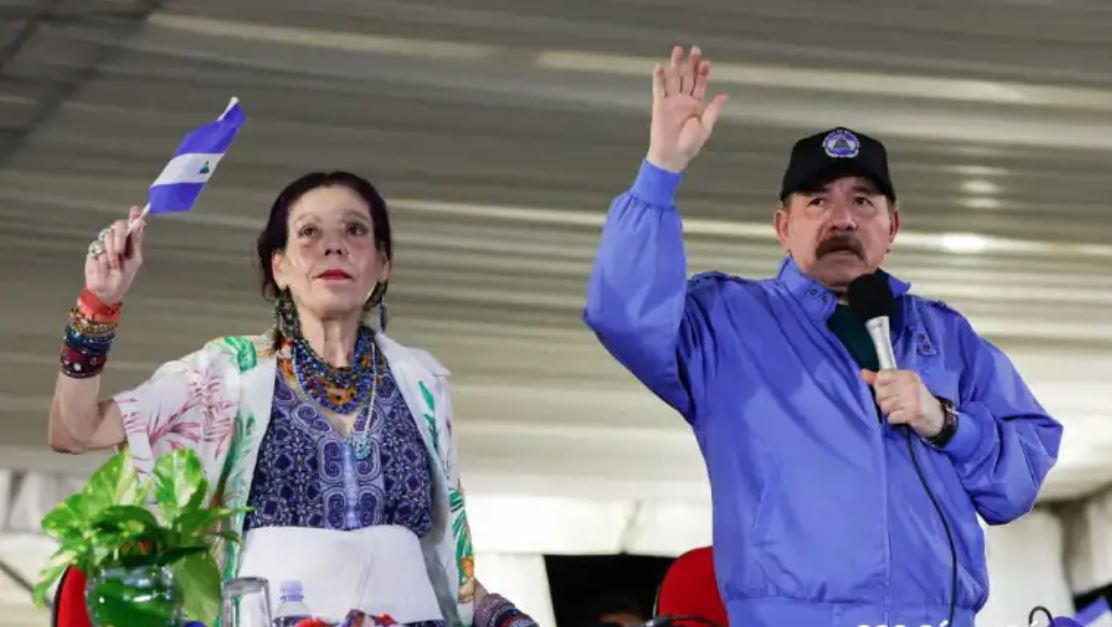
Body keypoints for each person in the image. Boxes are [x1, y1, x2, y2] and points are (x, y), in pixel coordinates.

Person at [583, 45, 1063, 627]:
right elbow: (622, 315)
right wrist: (660, 172)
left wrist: (945, 421)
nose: (842, 219)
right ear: (783, 227)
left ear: (892, 227)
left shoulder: (945, 335)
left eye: (863, 201)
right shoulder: (726, 322)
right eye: (818, 202)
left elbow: (1015, 485)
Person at [50, 171, 536, 627]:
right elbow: (76, 430)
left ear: (382, 263)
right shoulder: (227, 373)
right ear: (278, 266)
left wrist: (501, 616)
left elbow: (448, 566)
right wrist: (99, 304)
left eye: (354, 230)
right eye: (308, 232)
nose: (333, 245)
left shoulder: (423, 384)